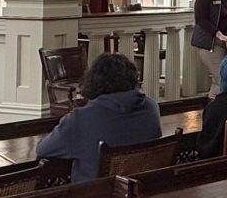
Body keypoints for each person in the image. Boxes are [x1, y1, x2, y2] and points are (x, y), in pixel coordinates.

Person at [36, 54, 162, 182]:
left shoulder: (80, 119)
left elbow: (43, 149)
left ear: (94, 81)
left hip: (94, 197)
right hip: (143, 191)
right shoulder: (152, 108)